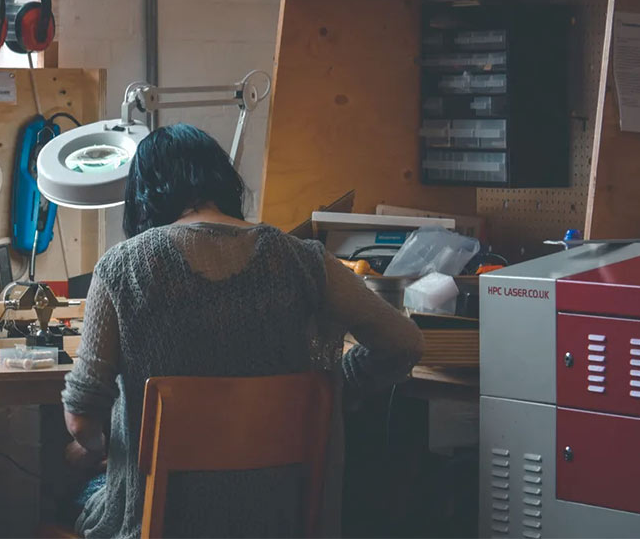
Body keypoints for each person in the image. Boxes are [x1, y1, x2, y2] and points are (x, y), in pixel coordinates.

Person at [61, 124, 424, 538]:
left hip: (161, 521)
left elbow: (80, 420)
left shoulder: (122, 267)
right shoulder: (304, 259)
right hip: (276, 514)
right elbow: (405, 343)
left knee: (63, 489)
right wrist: (334, 387)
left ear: (145, 194)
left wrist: (99, 447)